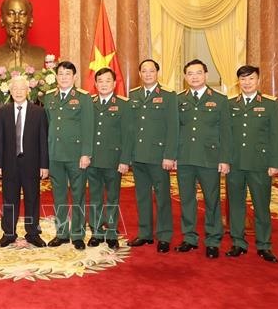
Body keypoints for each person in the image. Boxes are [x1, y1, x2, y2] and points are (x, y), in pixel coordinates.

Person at [174, 59, 232, 259]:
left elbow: (226, 132)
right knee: (187, 199)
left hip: (210, 158)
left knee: (212, 199)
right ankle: (189, 237)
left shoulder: (219, 99)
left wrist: (225, 159)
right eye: (190, 73)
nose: (194, 77)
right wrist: (172, 156)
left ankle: (213, 240)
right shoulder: (179, 99)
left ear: (206, 75)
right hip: (185, 157)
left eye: (198, 73)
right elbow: (174, 130)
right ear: (185, 77)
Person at [226, 65, 278, 263]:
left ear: (258, 80)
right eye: (243, 79)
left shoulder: (270, 104)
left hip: (260, 164)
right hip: (235, 164)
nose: (247, 83)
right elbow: (225, 136)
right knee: (236, 205)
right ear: (238, 82)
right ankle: (238, 242)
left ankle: (264, 245)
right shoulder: (230, 104)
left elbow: (276, 136)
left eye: (251, 79)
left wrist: (275, 162)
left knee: (261, 206)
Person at [126, 59, 178, 253]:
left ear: (158, 73)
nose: (148, 74)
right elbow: (130, 128)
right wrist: (129, 154)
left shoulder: (168, 96)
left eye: (152, 71)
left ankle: (164, 235)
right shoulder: (134, 95)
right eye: (144, 71)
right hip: (138, 155)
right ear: (140, 74)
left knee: (162, 196)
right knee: (142, 196)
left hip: (159, 156)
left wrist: (169, 155)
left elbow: (173, 128)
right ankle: (145, 233)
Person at [43, 61, 94, 250]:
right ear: (56, 77)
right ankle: (62, 233)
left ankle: (78, 234)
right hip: (55, 155)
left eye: (67, 74)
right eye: (60, 74)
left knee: (78, 194)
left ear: (74, 77)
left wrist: (86, 154)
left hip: (76, 156)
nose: (64, 77)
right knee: (59, 196)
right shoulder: (50, 98)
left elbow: (89, 127)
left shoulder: (83, 98)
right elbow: (48, 126)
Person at [0, 75, 49, 248]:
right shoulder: (3, 111)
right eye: (15, 89)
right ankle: (8, 233)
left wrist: (44, 165)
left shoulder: (39, 112)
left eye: (22, 89)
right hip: (9, 163)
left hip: (32, 163)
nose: (18, 92)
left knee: (32, 198)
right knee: (9, 198)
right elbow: (0, 139)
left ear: (28, 91)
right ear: (10, 92)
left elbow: (43, 140)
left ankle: (33, 233)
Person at [87, 67, 132, 249]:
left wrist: (124, 160)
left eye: (107, 81)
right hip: (93, 160)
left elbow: (128, 135)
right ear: (96, 84)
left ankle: (112, 232)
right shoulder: (89, 103)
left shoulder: (123, 104)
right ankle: (96, 231)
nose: (104, 84)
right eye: (100, 81)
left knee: (113, 197)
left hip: (114, 160)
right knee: (95, 197)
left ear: (114, 84)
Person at [0, 0, 46, 69]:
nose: (16, 20)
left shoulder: (41, 54)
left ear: (31, 20)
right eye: (11, 14)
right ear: (2, 19)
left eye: (22, 14)